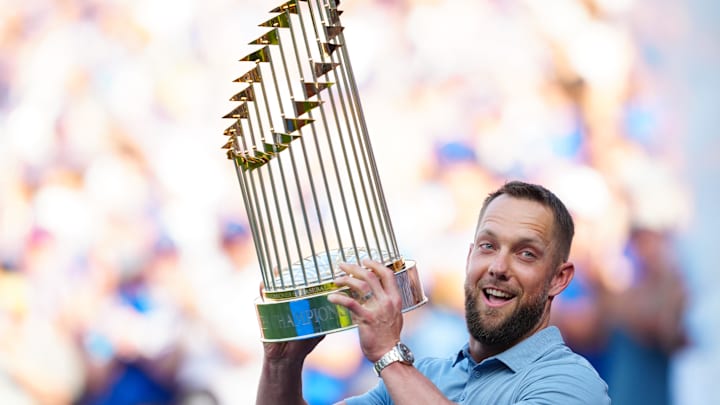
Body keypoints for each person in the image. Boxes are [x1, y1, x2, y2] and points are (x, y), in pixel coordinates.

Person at [256, 180, 610, 404]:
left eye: (525, 253)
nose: (498, 267)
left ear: (558, 279)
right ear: (469, 256)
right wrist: (283, 364)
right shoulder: (421, 376)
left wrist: (389, 355)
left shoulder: (572, 383)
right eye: (488, 246)